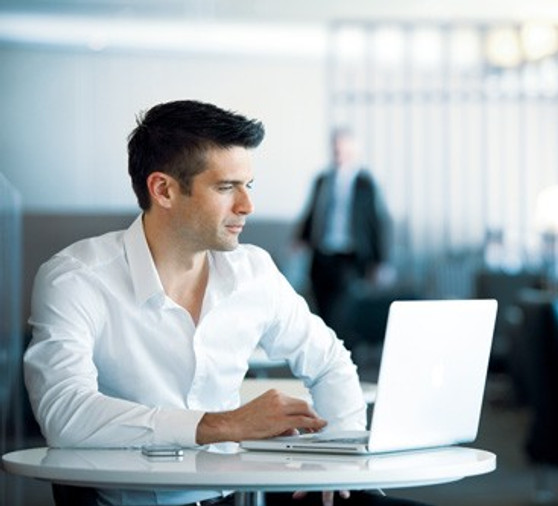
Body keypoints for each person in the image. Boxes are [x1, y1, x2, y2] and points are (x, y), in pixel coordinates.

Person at [23, 100, 427, 506]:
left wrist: (338, 462)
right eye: (225, 187)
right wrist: (225, 425)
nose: (246, 206)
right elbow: (66, 414)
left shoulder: (253, 272)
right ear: (163, 189)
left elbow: (330, 362)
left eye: (247, 186)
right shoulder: (76, 278)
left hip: (240, 494)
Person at [294, 128, 391, 333]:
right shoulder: (322, 179)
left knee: (339, 313)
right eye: (336, 148)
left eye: (344, 149)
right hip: (321, 256)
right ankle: (324, 358)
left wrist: (380, 261)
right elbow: (311, 212)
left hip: (349, 259)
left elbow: (377, 222)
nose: (339, 153)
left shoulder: (365, 183)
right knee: (320, 311)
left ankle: (340, 357)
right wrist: (300, 239)